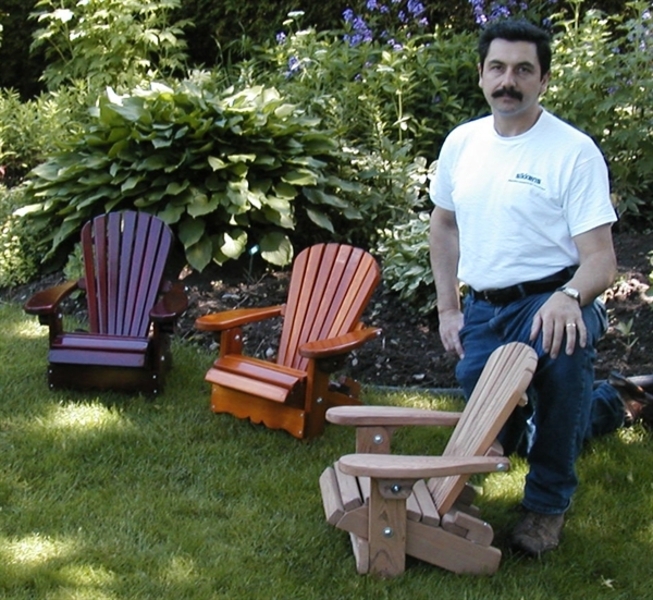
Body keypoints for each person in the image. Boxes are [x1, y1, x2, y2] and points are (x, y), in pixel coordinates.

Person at [429, 17, 653, 558]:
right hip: (485, 306)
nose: (510, 80)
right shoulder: (463, 143)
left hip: (554, 297)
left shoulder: (572, 152)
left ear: (544, 80)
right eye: (499, 68)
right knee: (503, 421)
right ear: (481, 75)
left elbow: (601, 261)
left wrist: (570, 297)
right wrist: (448, 310)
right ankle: (623, 400)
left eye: (524, 69)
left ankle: (546, 507)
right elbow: (444, 225)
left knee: (559, 373)